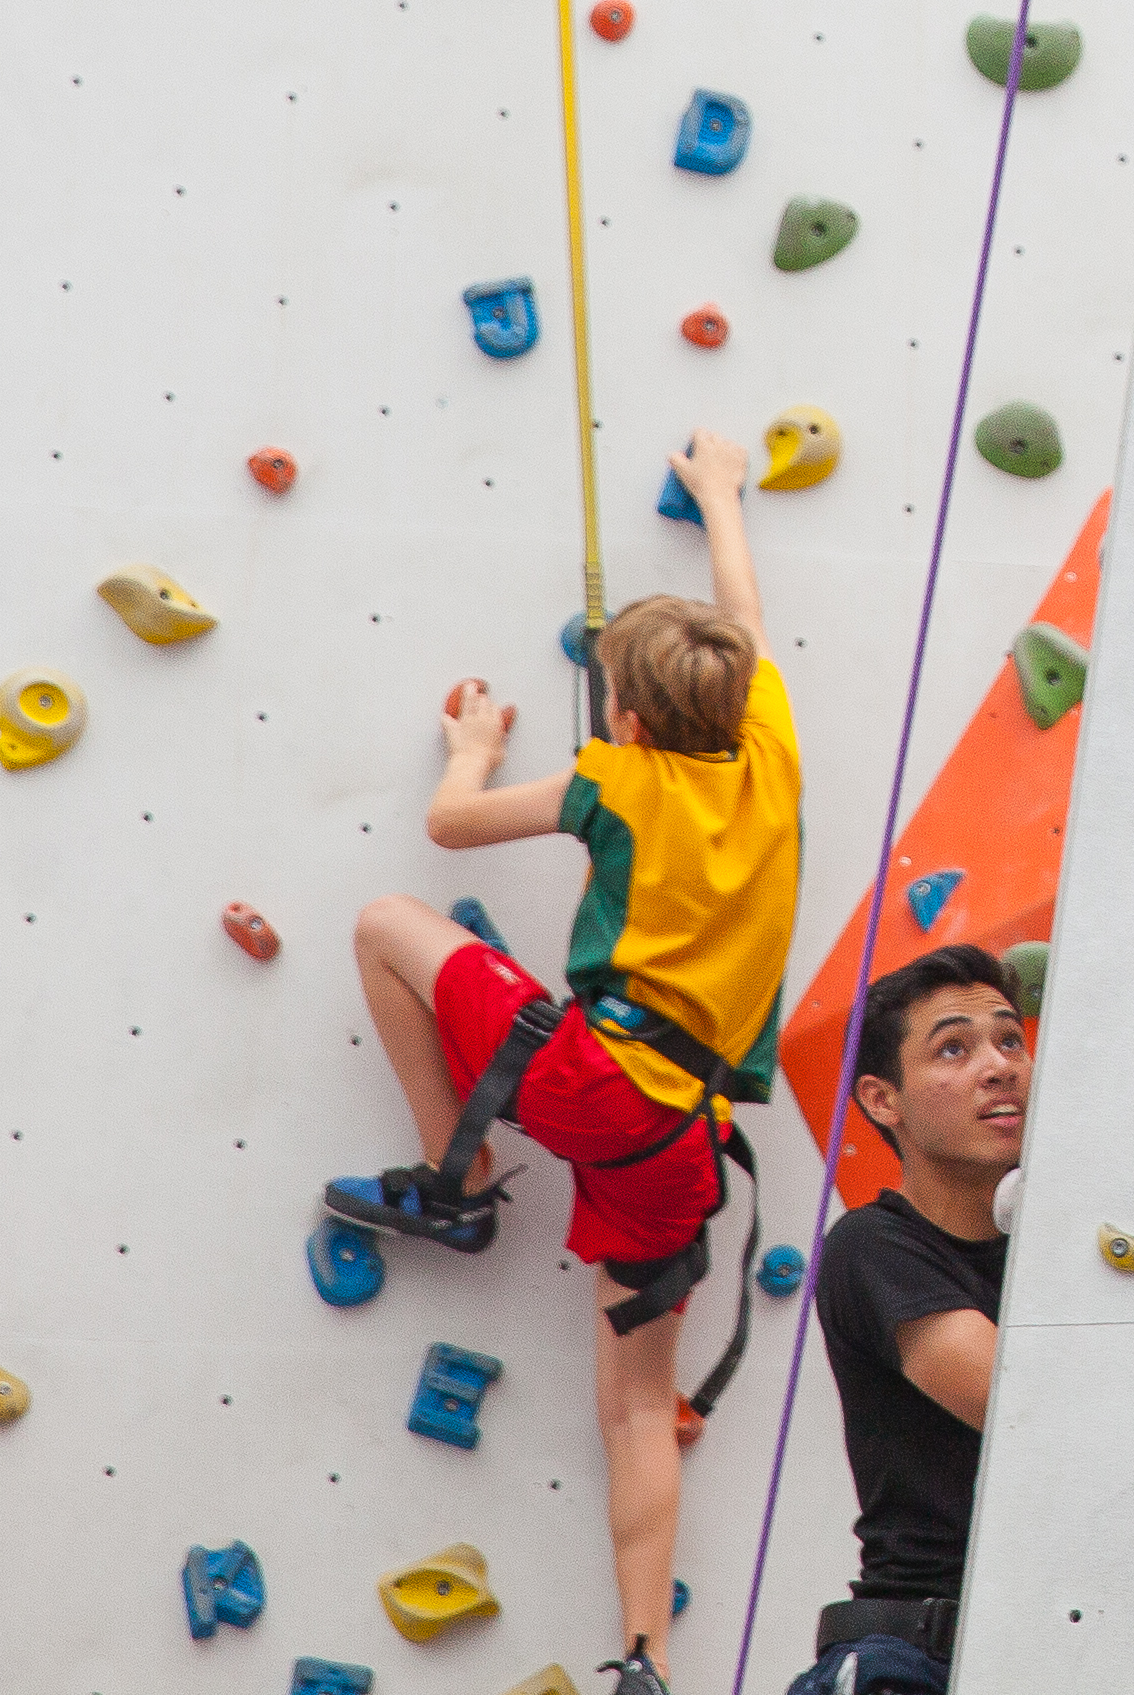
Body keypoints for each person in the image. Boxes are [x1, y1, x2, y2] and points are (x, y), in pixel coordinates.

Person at [326, 421, 801, 1695]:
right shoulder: (772, 754)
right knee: (638, 1407)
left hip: (592, 1081)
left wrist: (474, 748)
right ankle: (645, 1656)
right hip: (681, 1138)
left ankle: (458, 1176)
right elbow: (747, 618)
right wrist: (721, 496)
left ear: (628, 717)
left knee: (385, 926)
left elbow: (451, 824)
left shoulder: (616, 778)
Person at [793, 943, 1025, 1694]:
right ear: (881, 1100)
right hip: (920, 1658)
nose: (999, 1066)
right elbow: (1023, 1406)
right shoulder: (870, 1246)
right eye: (954, 1048)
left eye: (1011, 1039)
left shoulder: (1056, 1250)